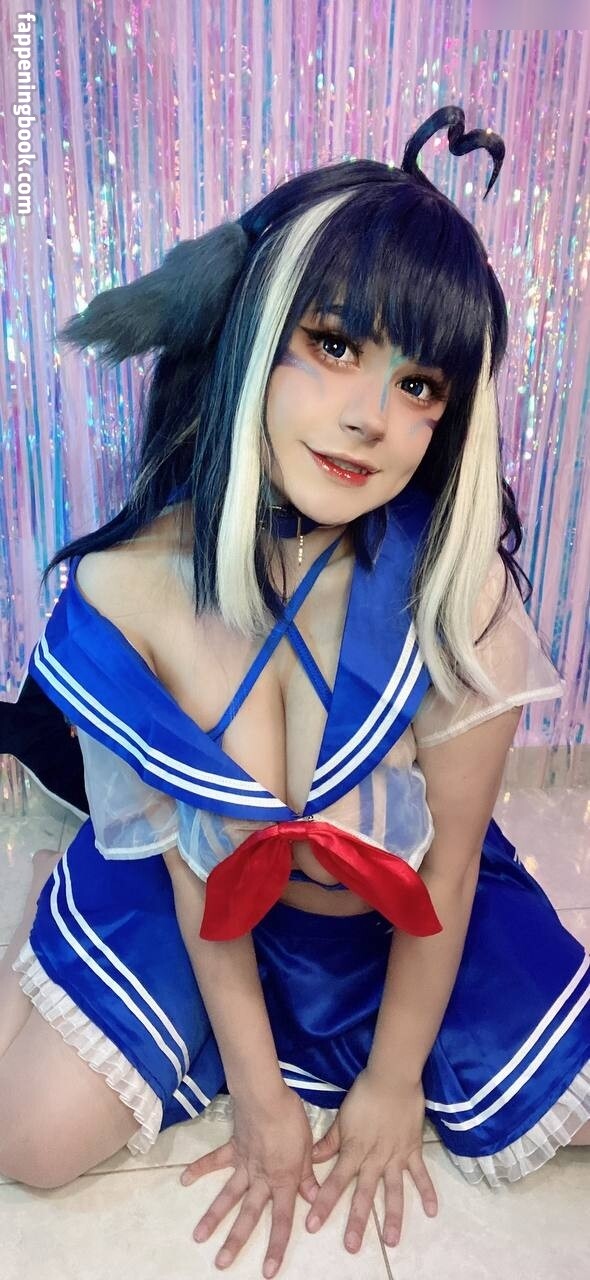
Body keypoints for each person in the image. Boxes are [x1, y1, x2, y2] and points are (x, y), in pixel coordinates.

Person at [1, 103, 589, 1278]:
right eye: (332, 344)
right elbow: (191, 864)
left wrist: (391, 1082)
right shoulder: (132, 587)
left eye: (418, 383)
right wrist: (261, 1095)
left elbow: (447, 869)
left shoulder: (454, 589)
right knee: (31, 1138)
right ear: (254, 332)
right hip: (206, 911)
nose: (370, 418)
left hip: (392, 924)